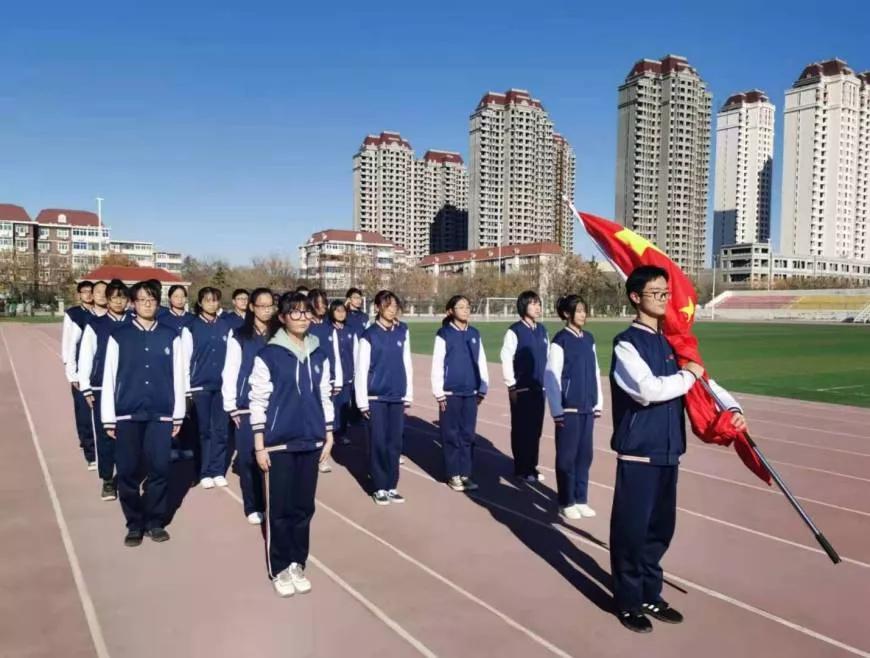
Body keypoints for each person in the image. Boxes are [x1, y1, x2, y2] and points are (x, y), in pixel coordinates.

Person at [609, 265, 747, 633]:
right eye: (656, 293)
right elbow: (647, 389)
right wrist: (689, 376)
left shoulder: (673, 342)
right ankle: (627, 600)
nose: (664, 299)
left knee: (659, 530)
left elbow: (705, 383)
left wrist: (733, 409)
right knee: (631, 532)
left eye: (666, 293)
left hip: (670, 452)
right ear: (635, 297)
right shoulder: (626, 343)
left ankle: (650, 593)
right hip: (639, 452)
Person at [249, 292, 334, 597]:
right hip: (278, 445)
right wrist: (259, 444)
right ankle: (280, 567)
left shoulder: (319, 353)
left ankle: (298, 561)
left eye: (305, 312)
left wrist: (329, 432)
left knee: (303, 508)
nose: (301, 317)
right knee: (280, 510)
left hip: (311, 441)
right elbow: (257, 401)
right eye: (294, 312)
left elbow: (324, 395)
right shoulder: (269, 355)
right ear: (282, 318)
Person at [101, 281, 186, 546]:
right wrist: (108, 417)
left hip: (161, 415)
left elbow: (179, 377)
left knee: (160, 469)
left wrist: (178, 414)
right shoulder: (119, 336)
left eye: (151, 299)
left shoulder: (171, 335)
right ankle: (134, 523)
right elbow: (109, 377)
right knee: (127, 472)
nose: (147, 304)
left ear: (157, 303)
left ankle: (154, 521)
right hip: (127, 415)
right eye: (141, 300)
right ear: (132, 304)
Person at [544, 295, 602, 520]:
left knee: (585, 456)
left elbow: (596, 371)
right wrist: (557, 409)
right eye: (578, 311)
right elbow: (551, 377)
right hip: (568, 409)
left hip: (587, 407)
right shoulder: (561, 340)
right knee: (567, 457)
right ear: (567, 314)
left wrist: (598, 402)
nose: (583, 315)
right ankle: (566, 501)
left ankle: (581, 498)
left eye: (584, 310)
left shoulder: (589, 339)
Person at [354, 290, 413, 505]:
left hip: (397, 396)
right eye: (388, 306)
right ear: (378, 307)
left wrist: (408, 393)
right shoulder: (369, 335)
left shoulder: (402, 331)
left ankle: (391, 485)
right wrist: (362, 402)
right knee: (378, 443)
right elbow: (361, 370)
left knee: (394, 444)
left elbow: (407, 363)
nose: (392, 310)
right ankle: (379, 486)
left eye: (395, 306)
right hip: (376, 397)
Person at [221, 287, 273, 524]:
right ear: (252, 307)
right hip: (245, 405)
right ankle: (253, 505)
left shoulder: (278, 334)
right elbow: (231, 370)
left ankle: (270, 501)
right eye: (261, 305)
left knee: (271, 456)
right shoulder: (239, 335)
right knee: (248, 457)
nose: (266, 310)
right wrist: (231, 404)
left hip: (273, 404)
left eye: (270, 305)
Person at [78, 280, 133, 501]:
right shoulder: (96, 325)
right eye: (114, 297)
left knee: (129, 435)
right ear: (107, 300)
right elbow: (86, 358)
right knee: (105, 435)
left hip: (129, 389)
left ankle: (129, 475)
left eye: (122, 297)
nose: (118, 301)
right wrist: (86, 388)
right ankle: (108, 479)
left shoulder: (135, 323)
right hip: (101, 388)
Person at [430, 295, 488, 492]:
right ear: (450, 311)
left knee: (468, 435)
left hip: (471, 392)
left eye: (467, 306)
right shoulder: (444, 334)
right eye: (461, 307)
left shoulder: (475, 333)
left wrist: (483, 388)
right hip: (450, 393)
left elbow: (481, 361)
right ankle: (453, 474)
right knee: (451, 434)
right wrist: (439, 392)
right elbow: (437, 364)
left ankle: (466, 473)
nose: (466, 310)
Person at [182, 287, 232, 489]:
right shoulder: (191, 327)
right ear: (200, 303)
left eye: (215, 300)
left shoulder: (226, 326)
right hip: (199, 386)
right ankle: (203, 471)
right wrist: (187, 389)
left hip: (221, 386)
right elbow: (185, 359)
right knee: (203, 431)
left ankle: (218, 469)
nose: (212, 304)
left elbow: (232, 358)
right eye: (208, 300)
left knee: (221, 430)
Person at [499, 290, 549, 483]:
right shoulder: (515, 331)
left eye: (539, 303)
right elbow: (506, 357)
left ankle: (532, 466)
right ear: (523, 307)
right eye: (533, 303)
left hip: (539, 388)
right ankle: (521, 467)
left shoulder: (542, 330)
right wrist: (511, 385)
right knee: (522, 429)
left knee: (536, 430)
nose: (537, 307)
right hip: (522, 388)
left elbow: (549, 357)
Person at [307, 289, 342, 472]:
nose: (322, 306)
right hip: (311, 378)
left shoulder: (330, 327)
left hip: (328, 379)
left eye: (324, 302)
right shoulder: (305, 325)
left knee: (326, 418)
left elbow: (335, 353)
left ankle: (323, 457)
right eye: (318, 302)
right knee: (311, 416)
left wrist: (338, 379)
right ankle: (310, 452)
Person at [62, 280, 97, 469]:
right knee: (83, 414)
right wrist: (72, 375)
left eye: (91, 291)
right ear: (79, 294)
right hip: (78, 373)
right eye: (85, 292)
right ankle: (90, 451)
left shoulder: (101, 312)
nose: (89, 295)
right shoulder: (73, 315)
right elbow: (68, 346)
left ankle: (100, 447)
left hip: (96, 372)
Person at [327, 300, 355, 445]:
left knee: (345, 405)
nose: (341, 313)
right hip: (333, 376)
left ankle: (342, 432)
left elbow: (355, 352)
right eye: (337, 311)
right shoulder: (328, 329)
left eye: (343, 311)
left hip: (348, 375)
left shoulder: (350, 330)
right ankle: (330, 432)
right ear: (331, 312)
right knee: (333, 406)